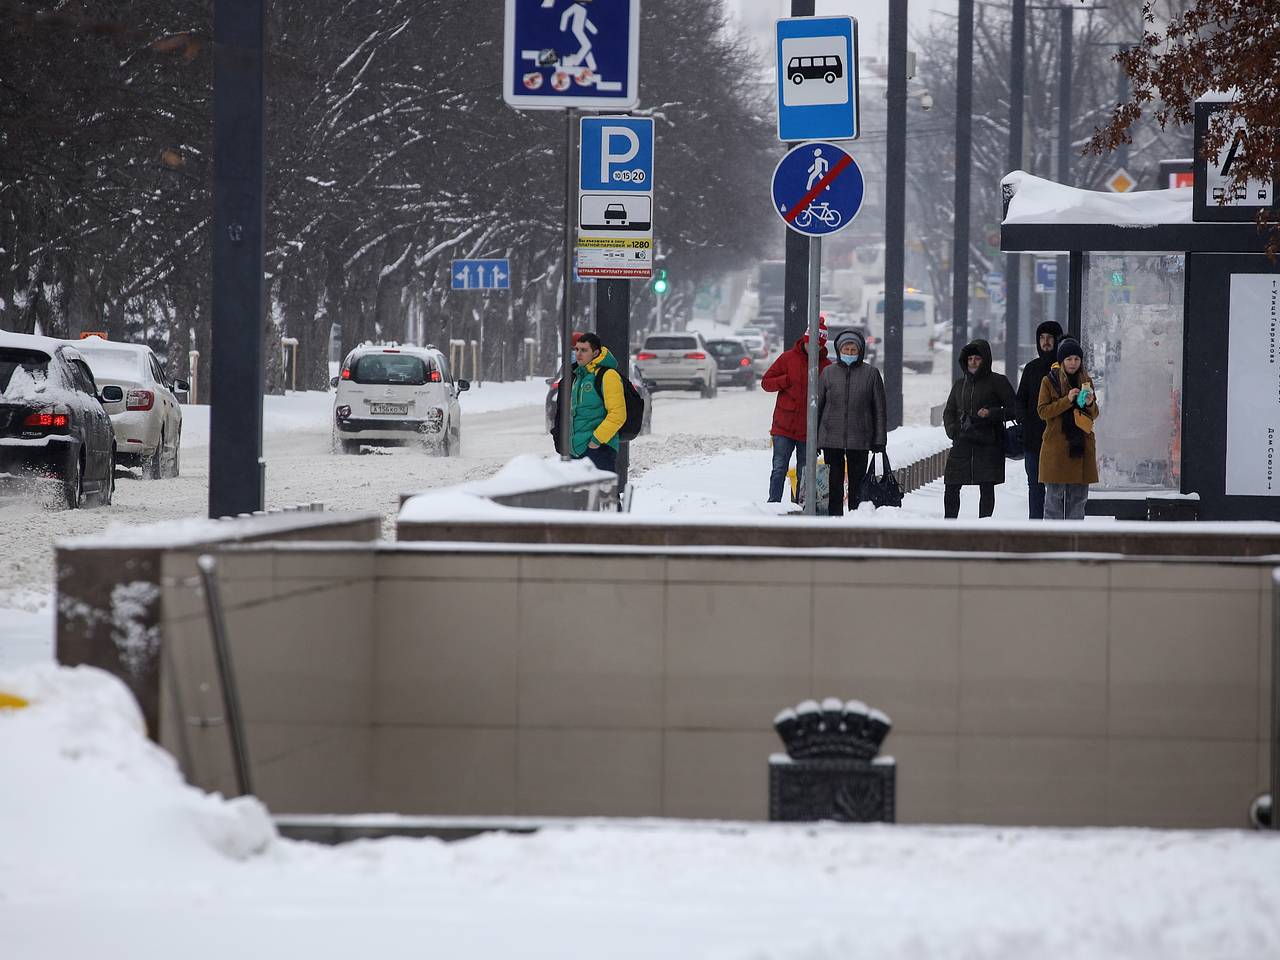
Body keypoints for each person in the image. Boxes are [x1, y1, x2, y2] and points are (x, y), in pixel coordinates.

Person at [815, 329, 886, 516]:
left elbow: (879, 409)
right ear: (839, 350)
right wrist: (815, 438)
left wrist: (879, 439)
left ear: (860, 351)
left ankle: (856, 515)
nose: (849, 353)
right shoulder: (828, 373)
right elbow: (818, 407)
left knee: (858, 482)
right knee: (834, 482)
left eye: (853, 349)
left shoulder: (871, 374)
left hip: (860, 438)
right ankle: (834, 518)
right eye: (846, 349)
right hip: (831, 437)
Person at [942, 339, 1015, 519]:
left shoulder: (998, 382)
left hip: (989, 443)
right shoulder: (960, 384)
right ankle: (949, 525)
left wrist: (992, 413)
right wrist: (954, 431)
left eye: (977, 358)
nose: (973, 362)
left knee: (987, 486)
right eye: (970, 359)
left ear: (986, 360)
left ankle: (984, 526)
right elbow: (949, 411)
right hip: (963, 441)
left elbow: (1014, 409)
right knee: (951, 484)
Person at [762, 320, 831, 502]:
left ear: (822, 346)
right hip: (783, 427)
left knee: (806, 471)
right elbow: (766, 383)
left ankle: (802, 506)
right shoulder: (787, 358)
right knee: (779, 468)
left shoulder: (827, 366)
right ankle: (773, 504)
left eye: (816, 346)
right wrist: (785, 380)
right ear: (804, 340)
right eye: (809, 343)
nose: (811, 348)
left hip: (809, 431)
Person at [1037, 338, 1099, 520]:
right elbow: (1043, 411)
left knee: (1078, 502)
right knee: (1054, 502)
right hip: (1057, 449)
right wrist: (1067, 400)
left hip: (1081, 448)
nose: (1073, 363)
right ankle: (1054, 542)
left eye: (1077, 359)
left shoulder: (1086, 381)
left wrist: (1089, 403)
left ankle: (1075, 542)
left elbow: (1094, 414)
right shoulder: (1049, 381)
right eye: (1069, 359)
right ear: (1062, 361)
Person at [1014, 320, 1063, 519]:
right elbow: (1020, 400)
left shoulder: (1066, 368)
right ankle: (1035, 528)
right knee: (1035, 486)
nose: (1045, 342)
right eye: (1042, 338)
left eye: (1050, 338)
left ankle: (1056, 529)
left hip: (1059, 439)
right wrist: (1024, 421)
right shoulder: (1031, 368)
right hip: (1034, 439)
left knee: (1056, 487)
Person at [568, 332, 626, 473]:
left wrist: (596, 440)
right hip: (577, 450)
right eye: (577, 349)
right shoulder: (579, 376)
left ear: (595, 353)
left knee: (603, 494)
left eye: (584, 350)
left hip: (600, 449)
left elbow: (618, 414)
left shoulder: (608, 376)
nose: (578, 354)